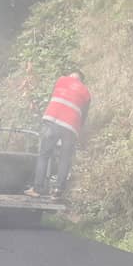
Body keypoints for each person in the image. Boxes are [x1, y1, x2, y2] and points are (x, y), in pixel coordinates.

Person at [25, 70, 91, 200]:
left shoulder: (61, 80)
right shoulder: (86, 92)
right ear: (81, 81)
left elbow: (53, 98)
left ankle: (37, 188)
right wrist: (79, 129)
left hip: (53, 121)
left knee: (44, 155)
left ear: (71, 76)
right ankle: (58, 191)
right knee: (65, 158)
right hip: (71, 127)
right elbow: (84, 115)